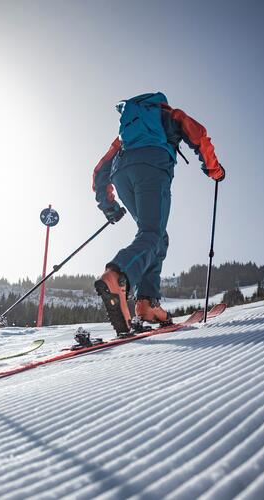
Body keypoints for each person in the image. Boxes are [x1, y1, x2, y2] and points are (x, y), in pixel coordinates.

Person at [92, 92, 225, 335]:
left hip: (121, 174)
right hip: (152, 167)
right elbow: (199, 135)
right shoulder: (168, 115)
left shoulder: (126, 133)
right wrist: (214, 169)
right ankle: (118, 277)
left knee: (157, 236)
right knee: (152, 233)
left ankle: (147, 303)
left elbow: (100, 170)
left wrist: (108, 205)